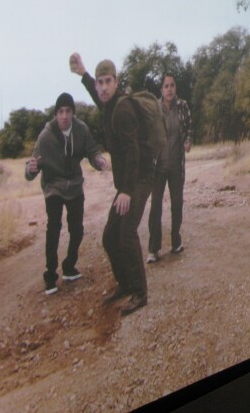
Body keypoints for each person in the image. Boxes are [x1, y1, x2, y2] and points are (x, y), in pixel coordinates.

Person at [69, 53, 151, 315]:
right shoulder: (109, 104)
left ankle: (140, 293)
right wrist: (83, 74)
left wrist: (126, 190)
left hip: (140, 179)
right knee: (109, 238)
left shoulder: (123, 109)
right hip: (128, 181)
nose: (102, 87)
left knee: (126, 234)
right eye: (99, 82)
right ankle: (125, 284)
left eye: (107, 82)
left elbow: (133, 152)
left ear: (116, 82)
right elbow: (97, 97)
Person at [25, 92, 108, 295]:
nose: (64, 116)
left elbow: (92, 151)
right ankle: (50, 277)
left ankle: (69, 266)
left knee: (77, 229)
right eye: (60, 112)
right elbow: (30, 169)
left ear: (73, 113)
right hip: (53, 185)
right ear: (56, 114)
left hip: (75, 186)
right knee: (54, 228)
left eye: (68, 111)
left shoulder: (81, 129)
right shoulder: (46, 136)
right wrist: (31, 168)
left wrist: (100, 161)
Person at [146, 74, 192, 263]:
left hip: (176, 165)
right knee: (155, 206)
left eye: (172, 85)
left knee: (177, 204)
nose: (169, 89)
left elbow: (189, 128)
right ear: (161, 90)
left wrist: (188, 141)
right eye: (166, 86)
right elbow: (148, 133)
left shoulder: (183, 106)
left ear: (175, 88)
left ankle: (176, 242)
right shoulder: (154, 109)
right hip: (158, 167)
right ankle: (153, 249)